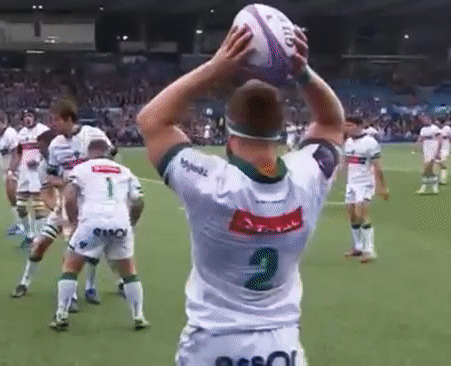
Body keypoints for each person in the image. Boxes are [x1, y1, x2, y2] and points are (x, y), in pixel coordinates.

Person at [136, 26, 343, 365]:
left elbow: (152, 121)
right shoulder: (309, 175)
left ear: (228, 130)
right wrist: (302, 72)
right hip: (283, 349)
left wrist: (217, 67)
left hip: (213, 347)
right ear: (282, 130)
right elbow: (332, 123)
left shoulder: (209, 184)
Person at [12, 99, 115, 308]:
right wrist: (67, 183)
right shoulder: (57, 145)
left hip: (90, 205)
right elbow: (51, 176)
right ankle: (24, 282)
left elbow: (111, 160)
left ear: (69, 119)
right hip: (65, 205)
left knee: (83, 249)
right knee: (40, 245)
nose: (54, 125)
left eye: (57, 120)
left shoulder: (93, 135)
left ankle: (84, 290)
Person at [49, 139, 148, 331]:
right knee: (128, 271)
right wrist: (131, 224)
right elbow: (138, 202)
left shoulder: (82, 168)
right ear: (108, 152)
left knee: (71, 265)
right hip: (120, 225)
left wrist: (74, 221)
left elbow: (69, 196)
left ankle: (61, 314)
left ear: (88, 153)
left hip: (92, 226)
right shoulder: (124, 171)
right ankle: (139, 316)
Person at [343, 117, 388, 264]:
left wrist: (382, 187)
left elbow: (377, 166)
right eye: (345, 125)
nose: (346, 128)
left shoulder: (370, 142)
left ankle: (370, 250)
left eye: (349, 125)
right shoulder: (348, 142)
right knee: (352, 215)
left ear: (359, 125)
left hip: (365, 183)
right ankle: (358, 247)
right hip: (352, 183)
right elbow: (346, 162)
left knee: (362, 214)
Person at [7, 110, 50, 247]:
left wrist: (39, 160)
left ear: (35, 117)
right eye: (25, 117)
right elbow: (18, 153)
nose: (28, 119)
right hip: (25, 173)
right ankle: (28, 235)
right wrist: (11, 170)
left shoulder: (43, 130)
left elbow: (51, 150)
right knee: (20, 206)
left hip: (38, 172)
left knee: (38, 206)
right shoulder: (22, 134)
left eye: (30, 116)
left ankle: (38, 237)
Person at [0, 118, 22, 235]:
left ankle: (22, 225)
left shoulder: (10, 133)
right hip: (6, 170)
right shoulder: (2, 135)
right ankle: (19, 224)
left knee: (14, 197)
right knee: (12, 198)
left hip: (13, 170)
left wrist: (12, 170)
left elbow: (16, 152)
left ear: (4, 122)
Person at [413, 116, 442, 195]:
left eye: (427, 119)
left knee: (430, 167)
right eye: (424, 120)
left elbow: (439, 138)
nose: (426, 121)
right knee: (427, 169)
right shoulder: (423, 129)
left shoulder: (435, 128)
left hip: (433, 146)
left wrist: (438, 151)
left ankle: (432, 187)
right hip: (426, 147)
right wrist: (416, 145)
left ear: (430, 120)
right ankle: (426, 187)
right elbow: (420, 138)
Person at [437, 120, 451, 185]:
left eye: (438, 122)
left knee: (442, 161)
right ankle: (440, 178)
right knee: (439, 162)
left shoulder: (447, 128)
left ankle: (443, 180)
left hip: (445, 145)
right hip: (437, 145)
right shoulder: (435, 129)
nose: (437, 124)